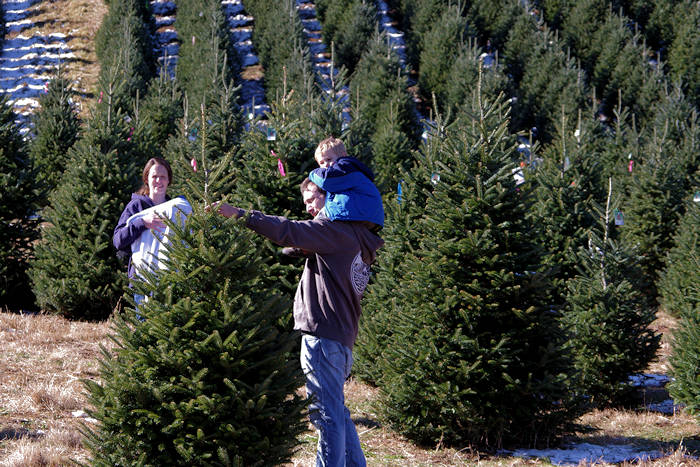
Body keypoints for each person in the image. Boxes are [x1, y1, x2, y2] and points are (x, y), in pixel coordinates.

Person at [212, 185, 384, 467]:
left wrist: (239, 215)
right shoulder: (357, 238)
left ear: (332, 197)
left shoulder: (333, 231)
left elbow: (287, 230)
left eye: (312, 199)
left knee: (325, 416)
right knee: (337, 412)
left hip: (322, 338)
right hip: (342, 339)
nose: (308, 208)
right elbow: (295, 245)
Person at [113, 158, 190, 306]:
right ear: (147, 179)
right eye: (154, 176)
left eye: (163, 177)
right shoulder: (136, 206)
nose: (158, 181)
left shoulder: (175, 209)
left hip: (170, 280)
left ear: (169, 180)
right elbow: (118, 240)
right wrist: (142, 223)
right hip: (143, 282)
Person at [309, 137, 384, 231]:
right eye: (321, 163)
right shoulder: (348, 174)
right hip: (365, 217)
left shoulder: (345, 167)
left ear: (342, 156)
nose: (326, 165)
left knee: (318, 228)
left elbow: (325, 180)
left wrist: (312, 174)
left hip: (358, 216)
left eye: (329, 159)